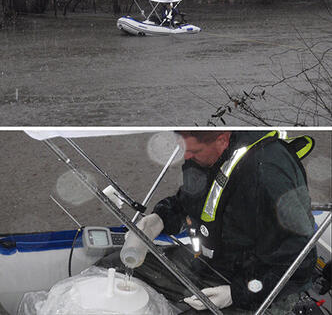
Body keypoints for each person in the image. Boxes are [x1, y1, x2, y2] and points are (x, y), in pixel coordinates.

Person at [98, 130, 317, 314]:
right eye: (183, 149)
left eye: (193, 151)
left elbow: (300, 263)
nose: (187, 156)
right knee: (111, 264)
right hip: (211, 264)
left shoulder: (269, 175)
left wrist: (236, 293)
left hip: (261, 288)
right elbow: (189, 201)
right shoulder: (203, 156)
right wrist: (159, 219)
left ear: (222, 139)